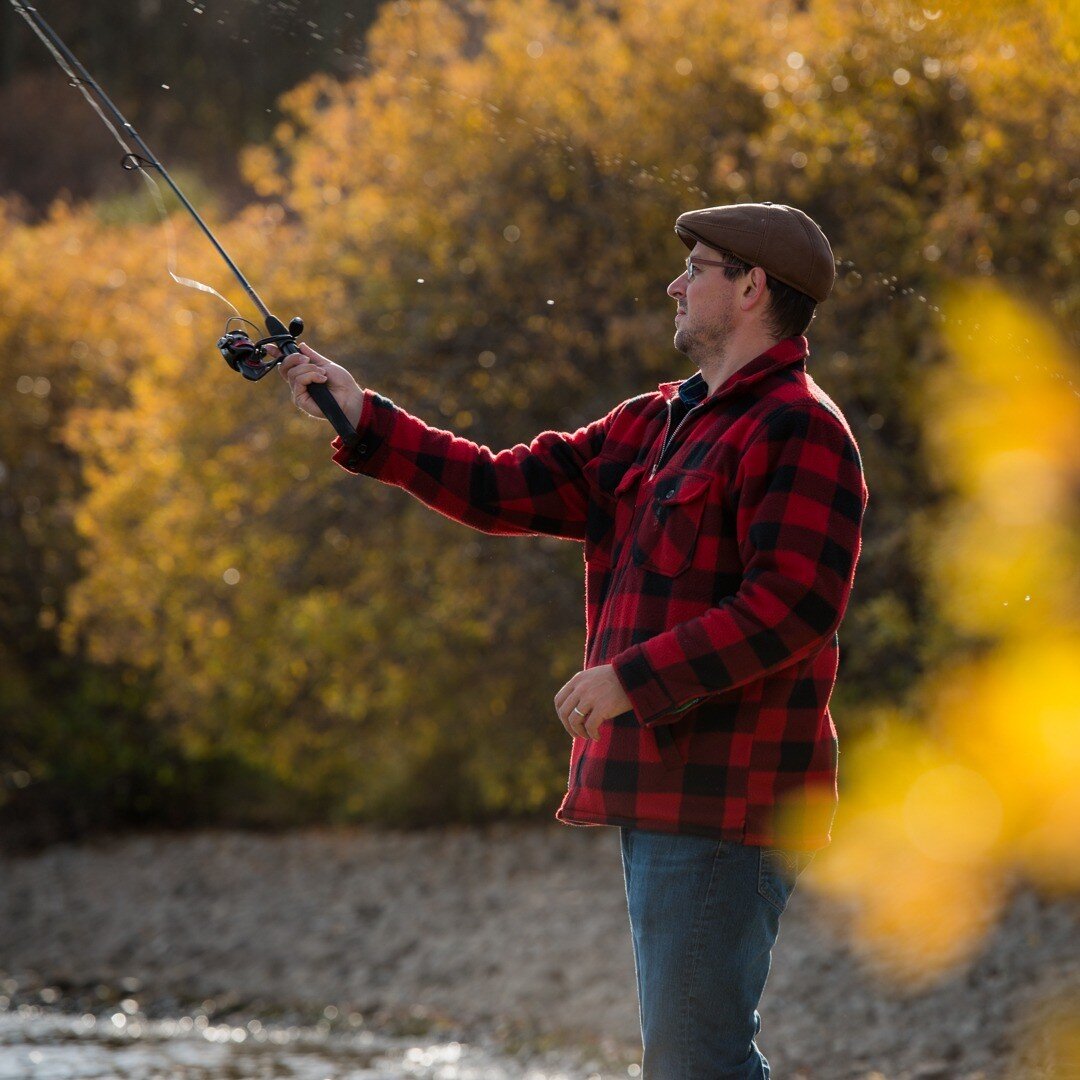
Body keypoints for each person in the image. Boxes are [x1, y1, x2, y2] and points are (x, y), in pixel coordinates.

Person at [280, 201, 869, 1079]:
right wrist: (365, 417)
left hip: (732, 804)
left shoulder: (802, 428)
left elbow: (792, 606)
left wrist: (633, 678)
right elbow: (499, 488)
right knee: (691, 1057)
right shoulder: (652, 421)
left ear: (751, 288)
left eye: (697, 267)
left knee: (696, 1060)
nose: (675, 282)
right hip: (665, 794)